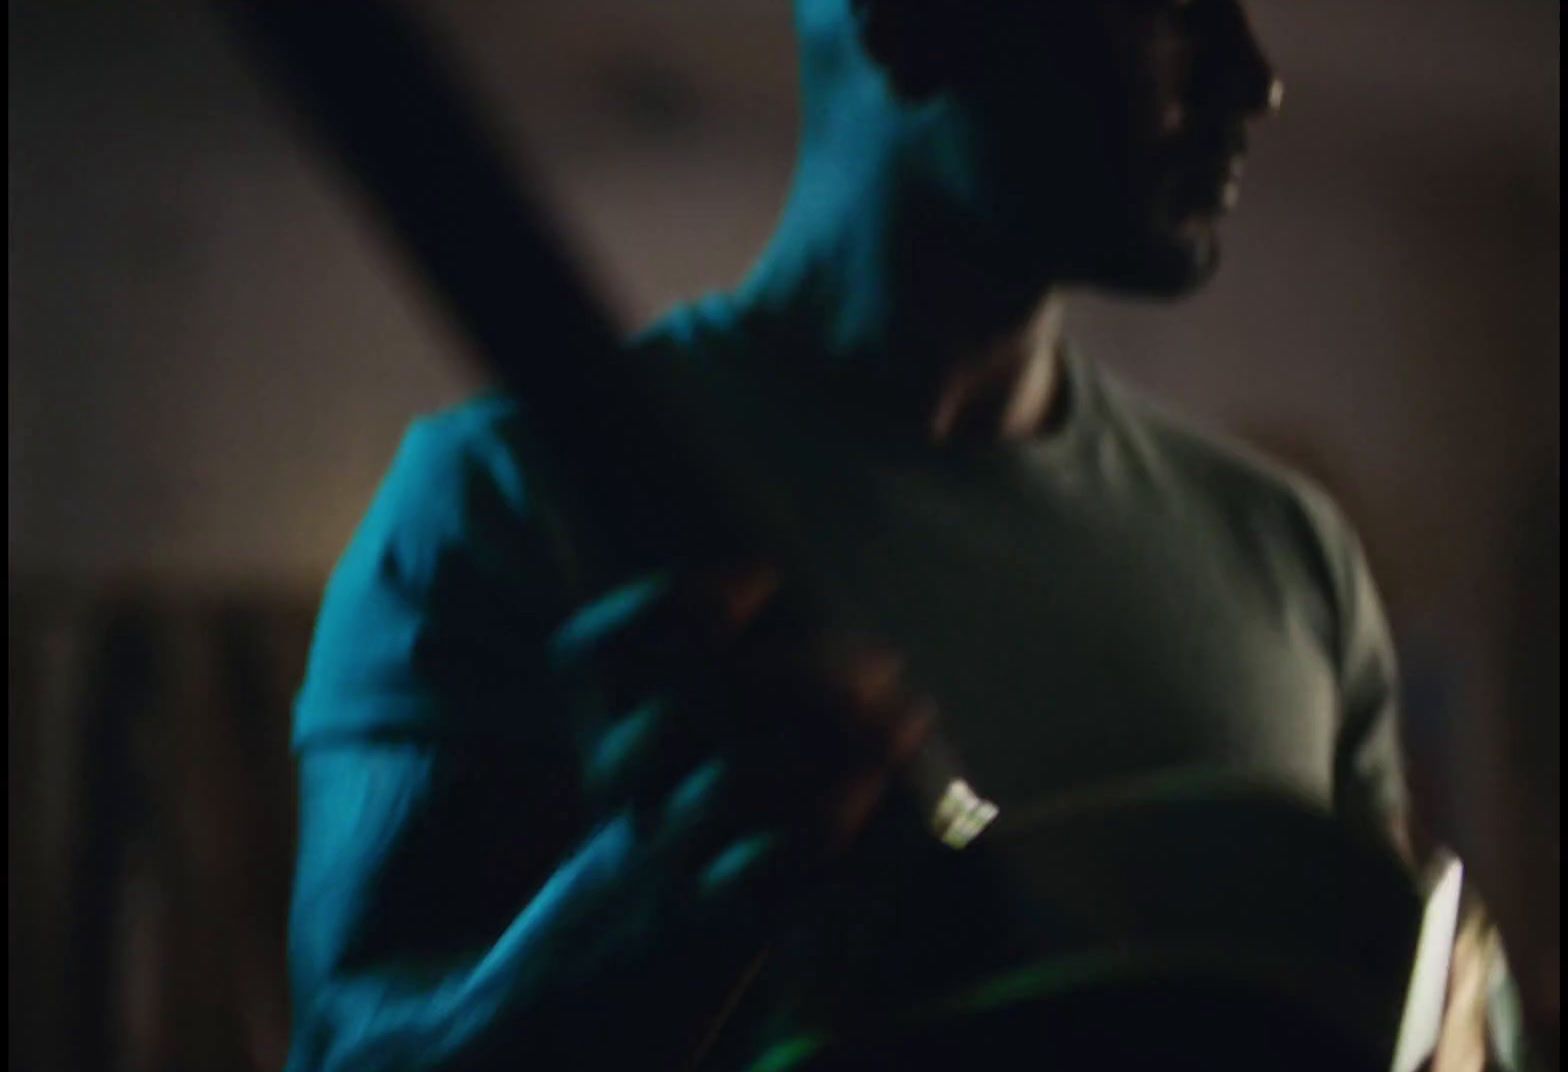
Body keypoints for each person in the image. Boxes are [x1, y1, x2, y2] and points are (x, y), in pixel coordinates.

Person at [284, 1, 1419, 1068]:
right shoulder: (498, 498)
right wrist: (633, 914)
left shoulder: (1290, 556)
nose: (1254, 79)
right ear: (906, 19)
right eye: (1167, 2)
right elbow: (349, 1050)